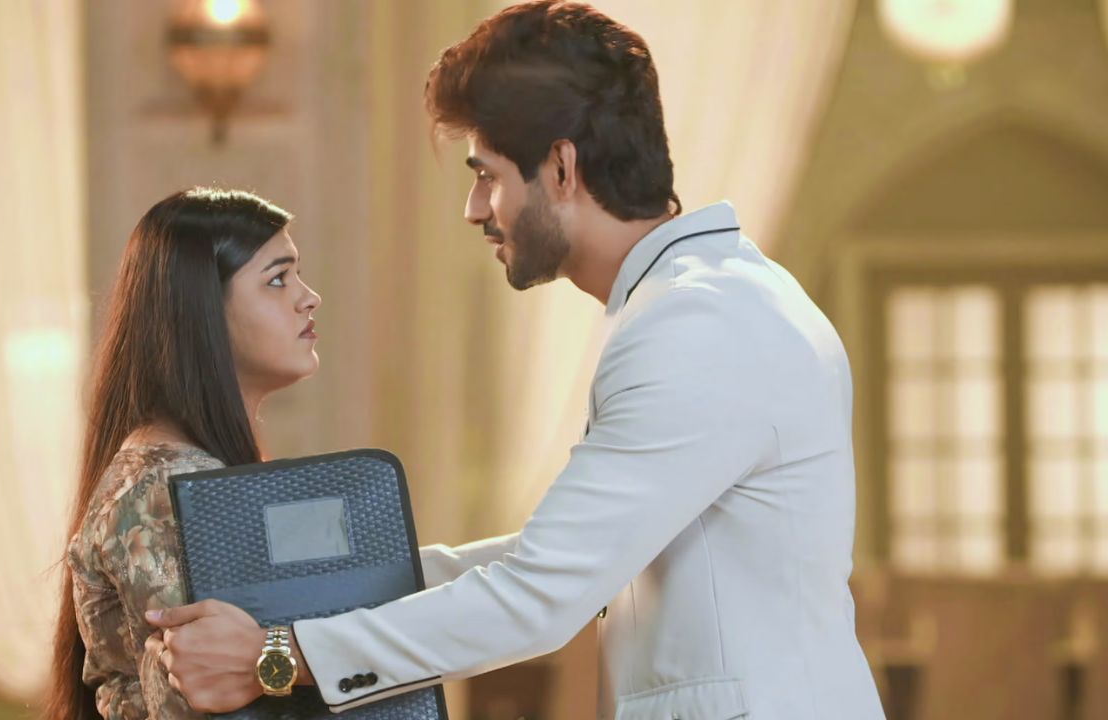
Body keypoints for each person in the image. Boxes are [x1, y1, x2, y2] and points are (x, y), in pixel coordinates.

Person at [148, 2, 886, 718]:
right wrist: (319, 583)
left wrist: (275, 655)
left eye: (488, 175)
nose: (474, 208)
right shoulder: (712, 299)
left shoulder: (697, 326)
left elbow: (541, 595)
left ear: (561, 168)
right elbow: (564, 556)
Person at [44, 187, 322, 720]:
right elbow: (209, 698)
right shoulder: (165, 487)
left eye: (298, 275)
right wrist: (295, 660)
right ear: (201, 312)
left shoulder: (186, 471)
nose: (309, 298)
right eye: (278, 279)